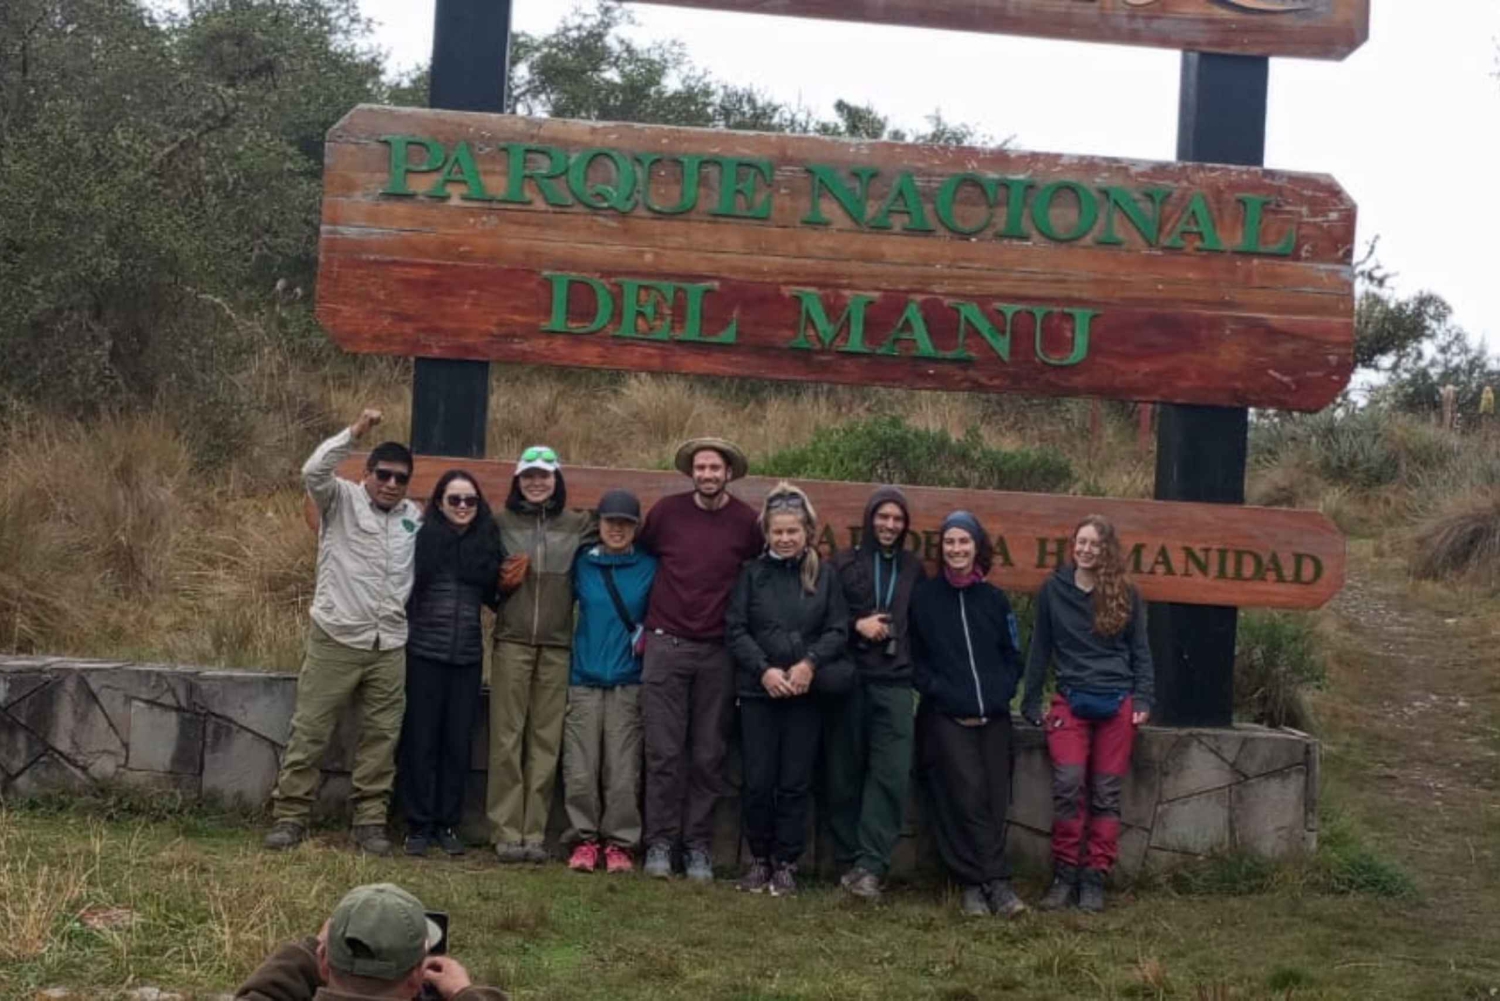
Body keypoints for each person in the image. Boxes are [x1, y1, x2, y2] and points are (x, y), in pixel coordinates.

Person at [265, 409, 420, 857]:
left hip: (389, 645)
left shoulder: (413, 518)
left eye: (400, 478)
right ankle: (290, 816)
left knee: (381, 737)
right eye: (383, 474)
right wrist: (356, 432)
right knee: (311, 730)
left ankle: (370, 821)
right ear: (367, 473)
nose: (391, 484)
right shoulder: (339, 500)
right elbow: (313, 470)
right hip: (336, 637)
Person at [637, 437, 764, 881]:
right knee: (663, 753)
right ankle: (659, 843)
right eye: (701, 467)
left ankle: (698, 847)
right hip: (665, 645)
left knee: (709, 755)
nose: (707, 474)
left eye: (715, 468)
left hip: (718, 651)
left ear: (729, 473)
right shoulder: (665, 514)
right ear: (691, 472)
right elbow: (643, 558)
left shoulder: (747, 523)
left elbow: (756, 571)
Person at [1021, 515, 1155, 914]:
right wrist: (1030, 699)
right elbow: (1040, 647)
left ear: (1106, 549)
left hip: (1117, 701)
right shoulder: (1054, 589)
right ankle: (1064, 874)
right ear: (1072, 545)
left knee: (1106, 792)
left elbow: (1141, 650)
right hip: (1070, 699)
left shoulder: (1126, 592)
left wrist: (1143, 699)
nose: (1086, 549)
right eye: (1081, 542)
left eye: (1094, 544)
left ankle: (1095, 876)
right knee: (1068, 784)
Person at [727, 482, 850, 897]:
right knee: (758, 781)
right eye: (777, 531)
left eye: (792, 531)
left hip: (804, 694)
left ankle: (786, 863)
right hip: (759, 692)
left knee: (795, 782)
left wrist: (809, 664)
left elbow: (838, 629)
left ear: (807, 532)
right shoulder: (751, 574)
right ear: (766, 533)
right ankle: (759, 859)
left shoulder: (824, 575)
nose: (784, 538)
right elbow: (736, 628)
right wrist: (763, 670)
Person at [909, 511, 1027, 918]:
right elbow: (915, 659)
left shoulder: (994, 599)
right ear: (941, 548)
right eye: (950, 542)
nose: (956, 549)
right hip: (947, 716)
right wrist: (939, 691)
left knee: (993, 799)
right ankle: (983, 883)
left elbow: (1013, 654)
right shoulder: (926, 598)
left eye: (964, 541)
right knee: (963, 798)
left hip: (993, 716)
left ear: (977, 547)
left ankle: (986, 881)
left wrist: (1002, 691)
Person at [487, 445, 596, 863]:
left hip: (557, 646)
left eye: (544, 476)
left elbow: (618, 534)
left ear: (556, 479)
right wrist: (499, 583)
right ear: (518, 481)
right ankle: (505, 830)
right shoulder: (500, 523)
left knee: (545, 742)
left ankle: (533, 833)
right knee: (506, 738)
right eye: (528, 476)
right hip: (511, 642)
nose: (536, 483)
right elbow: (482, 571)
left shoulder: (578, 524)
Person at [826, 487, 926, 900]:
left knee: (890, 776)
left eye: (897, 519)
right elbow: (825, 615)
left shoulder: (913, 568)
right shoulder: (843, 562)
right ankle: (847, 861)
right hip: (850, 681)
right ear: (869, 520)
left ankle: (871, 866)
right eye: (883, 517)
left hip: (896, 683)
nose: (889, 525)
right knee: (842, 775)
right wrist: (857, 625)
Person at [398, 470, 505, 857]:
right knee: (420, 741)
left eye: (470, 500)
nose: (462, 506)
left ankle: (447, 823)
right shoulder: (420, 539)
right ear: (440, 503)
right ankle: (417, 824)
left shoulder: (487, 542)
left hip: (467, 657)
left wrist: (509, 584)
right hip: (423, 652)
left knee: (457, 744)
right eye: (454, 499)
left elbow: (496, 597)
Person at [562, 489, 657, 874]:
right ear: (598, 524)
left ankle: (620, 844)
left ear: (636, 527)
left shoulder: (650, 567)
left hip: (627, 681)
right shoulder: (582, 563)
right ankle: (584, 840)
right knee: (580, 769)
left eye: (625, 523)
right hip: (583, 678)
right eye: (610, 522)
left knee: (622, 771)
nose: (617, 529)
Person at [234, 882, 507, 1001]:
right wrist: (464, 992)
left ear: (324, 962)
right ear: (416, 978)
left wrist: (307, 951)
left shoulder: (315, 962)